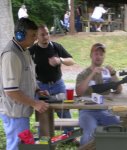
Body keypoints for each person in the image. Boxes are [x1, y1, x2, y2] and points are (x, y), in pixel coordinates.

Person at [0, 18, 49, 150]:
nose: (35, 38)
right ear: (20, 35)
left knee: (22, 146)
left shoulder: (24, 50)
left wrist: (37, 90)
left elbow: (27, 77)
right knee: (17, 146)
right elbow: (11, 91)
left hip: (20, 112)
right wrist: (35, 103)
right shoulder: (11, 55)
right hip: (14, 114)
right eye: (33, 35)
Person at [29, 24, 75, 135]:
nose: (46, 37)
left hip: (58, 85)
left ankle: (70, 136)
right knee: (42, 113)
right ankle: (44, 139)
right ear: (37, 37)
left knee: (64, 111)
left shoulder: (56, 47)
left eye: (47, 33)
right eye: (42, 34)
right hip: (41, 87)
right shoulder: (32, 51)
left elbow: (72, 61)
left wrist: (60, 60)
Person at [75, 43, 122, 145]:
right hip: (87, 112)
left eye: (101, 54)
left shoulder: (107, 73)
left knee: (121, 128)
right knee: (89, 134)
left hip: (106, 111)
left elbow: (119, 90)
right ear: (91, 55)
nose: (99, 56)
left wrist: (113, 74)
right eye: (96, 53)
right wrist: (92, 73)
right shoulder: (83, 74)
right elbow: (78, 92)